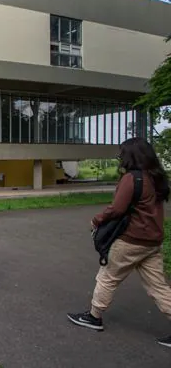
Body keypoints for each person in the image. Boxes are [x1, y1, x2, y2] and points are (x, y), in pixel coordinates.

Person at [67, 137, 171, 348]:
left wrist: (96, 220)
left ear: (131, 156)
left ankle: (94, 317)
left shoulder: (132, 179)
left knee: (107, 277)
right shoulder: (157, 178)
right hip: (153, 242)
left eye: (122, 153)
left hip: (131, 240)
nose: (120, 157)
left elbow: (117, 209)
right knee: (159, 287)